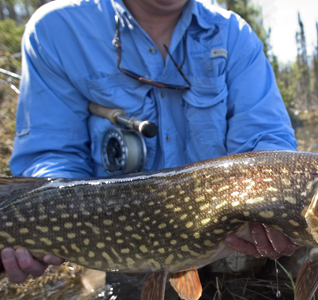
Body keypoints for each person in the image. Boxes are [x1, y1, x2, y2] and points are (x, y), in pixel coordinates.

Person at [1, 0, 300, 283]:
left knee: (316, 257)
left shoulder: (233, 34)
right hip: (120, 249)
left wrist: (280, 210)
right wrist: (39, 232)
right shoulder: (57, 29)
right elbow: (50, 156)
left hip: (230, 240)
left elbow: (267, 143)